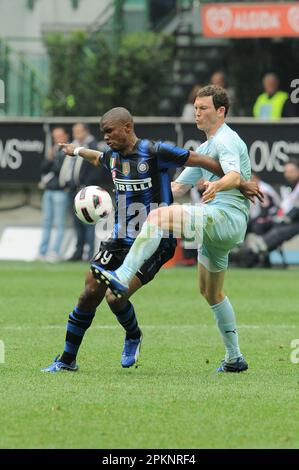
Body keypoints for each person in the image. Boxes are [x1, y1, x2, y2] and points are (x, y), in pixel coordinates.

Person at [41, 106, 261, 373]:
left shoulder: (156, 151)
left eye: (110, 131)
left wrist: (240, 182)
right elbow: (97, 157)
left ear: (128, 127)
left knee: (115, 298)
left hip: (157, 241)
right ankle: (67, 360)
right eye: (103, 133)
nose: (107, 137)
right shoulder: (112, 156)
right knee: (88, 293)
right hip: (120, 238)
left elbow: (201, 161)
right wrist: (74, 150)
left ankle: (133, 335)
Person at [233, 159, 299, 267]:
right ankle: (247, 254)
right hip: (283, 218)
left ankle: (254, 255)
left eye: (292, 171)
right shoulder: (290, 187)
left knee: (265, 226)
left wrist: (288, 217)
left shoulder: (264, 189)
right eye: (286, 172)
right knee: (253, 224)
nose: (288, 174)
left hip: (292, 220)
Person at [67, 123, 107, 261]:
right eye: (74, 131)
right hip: (74, 191)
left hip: (88, 192)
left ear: (86, 131)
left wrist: (86, 185)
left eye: (78, 131)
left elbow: (97, 167)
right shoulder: (74, 145)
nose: (75, 133)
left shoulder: (93, 146)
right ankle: (78, 252)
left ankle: (90, 254)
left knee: (89, 222)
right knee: (77, 223)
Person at [37, 127, 70, 262]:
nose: (57, 139)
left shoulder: (68, 150)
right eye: (55, 136)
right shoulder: (54, 151)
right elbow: (44, 168)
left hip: (60, 192)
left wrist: (54, 159)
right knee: (46, 222)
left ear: (66, 136)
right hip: (49, 191)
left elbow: (59, 169)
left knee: (59, 223)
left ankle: (55, 252)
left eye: (59, 136)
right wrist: (50, 158)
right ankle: (42, 251)